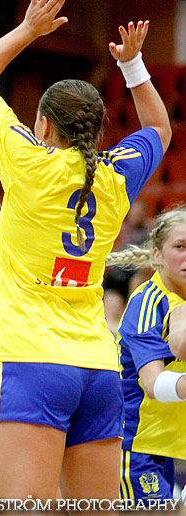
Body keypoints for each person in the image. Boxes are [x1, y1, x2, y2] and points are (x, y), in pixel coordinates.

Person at [0, 0, 170, 505]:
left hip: (30, 365)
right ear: (96, 133)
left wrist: (27, 30)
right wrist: (132, 65)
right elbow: (159, 129)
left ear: (44, 128)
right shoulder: (116, 176)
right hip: (97, 370)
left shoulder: (27, 163)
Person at [106, 206, 186, 502]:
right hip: (137, 446)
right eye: (179, 247)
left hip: (172, 442)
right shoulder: (148, 304)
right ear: (157, 256)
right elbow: (154, 386)